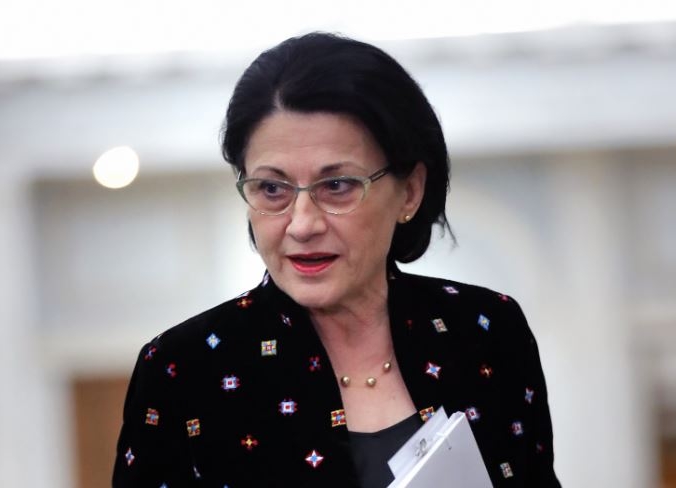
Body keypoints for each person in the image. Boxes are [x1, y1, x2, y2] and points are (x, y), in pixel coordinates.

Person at [113, 32, 561, 488]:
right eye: (272, 188)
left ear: (409, 191)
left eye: (337, 186)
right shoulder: (183, 370)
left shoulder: (486, 331)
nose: (302, 224)